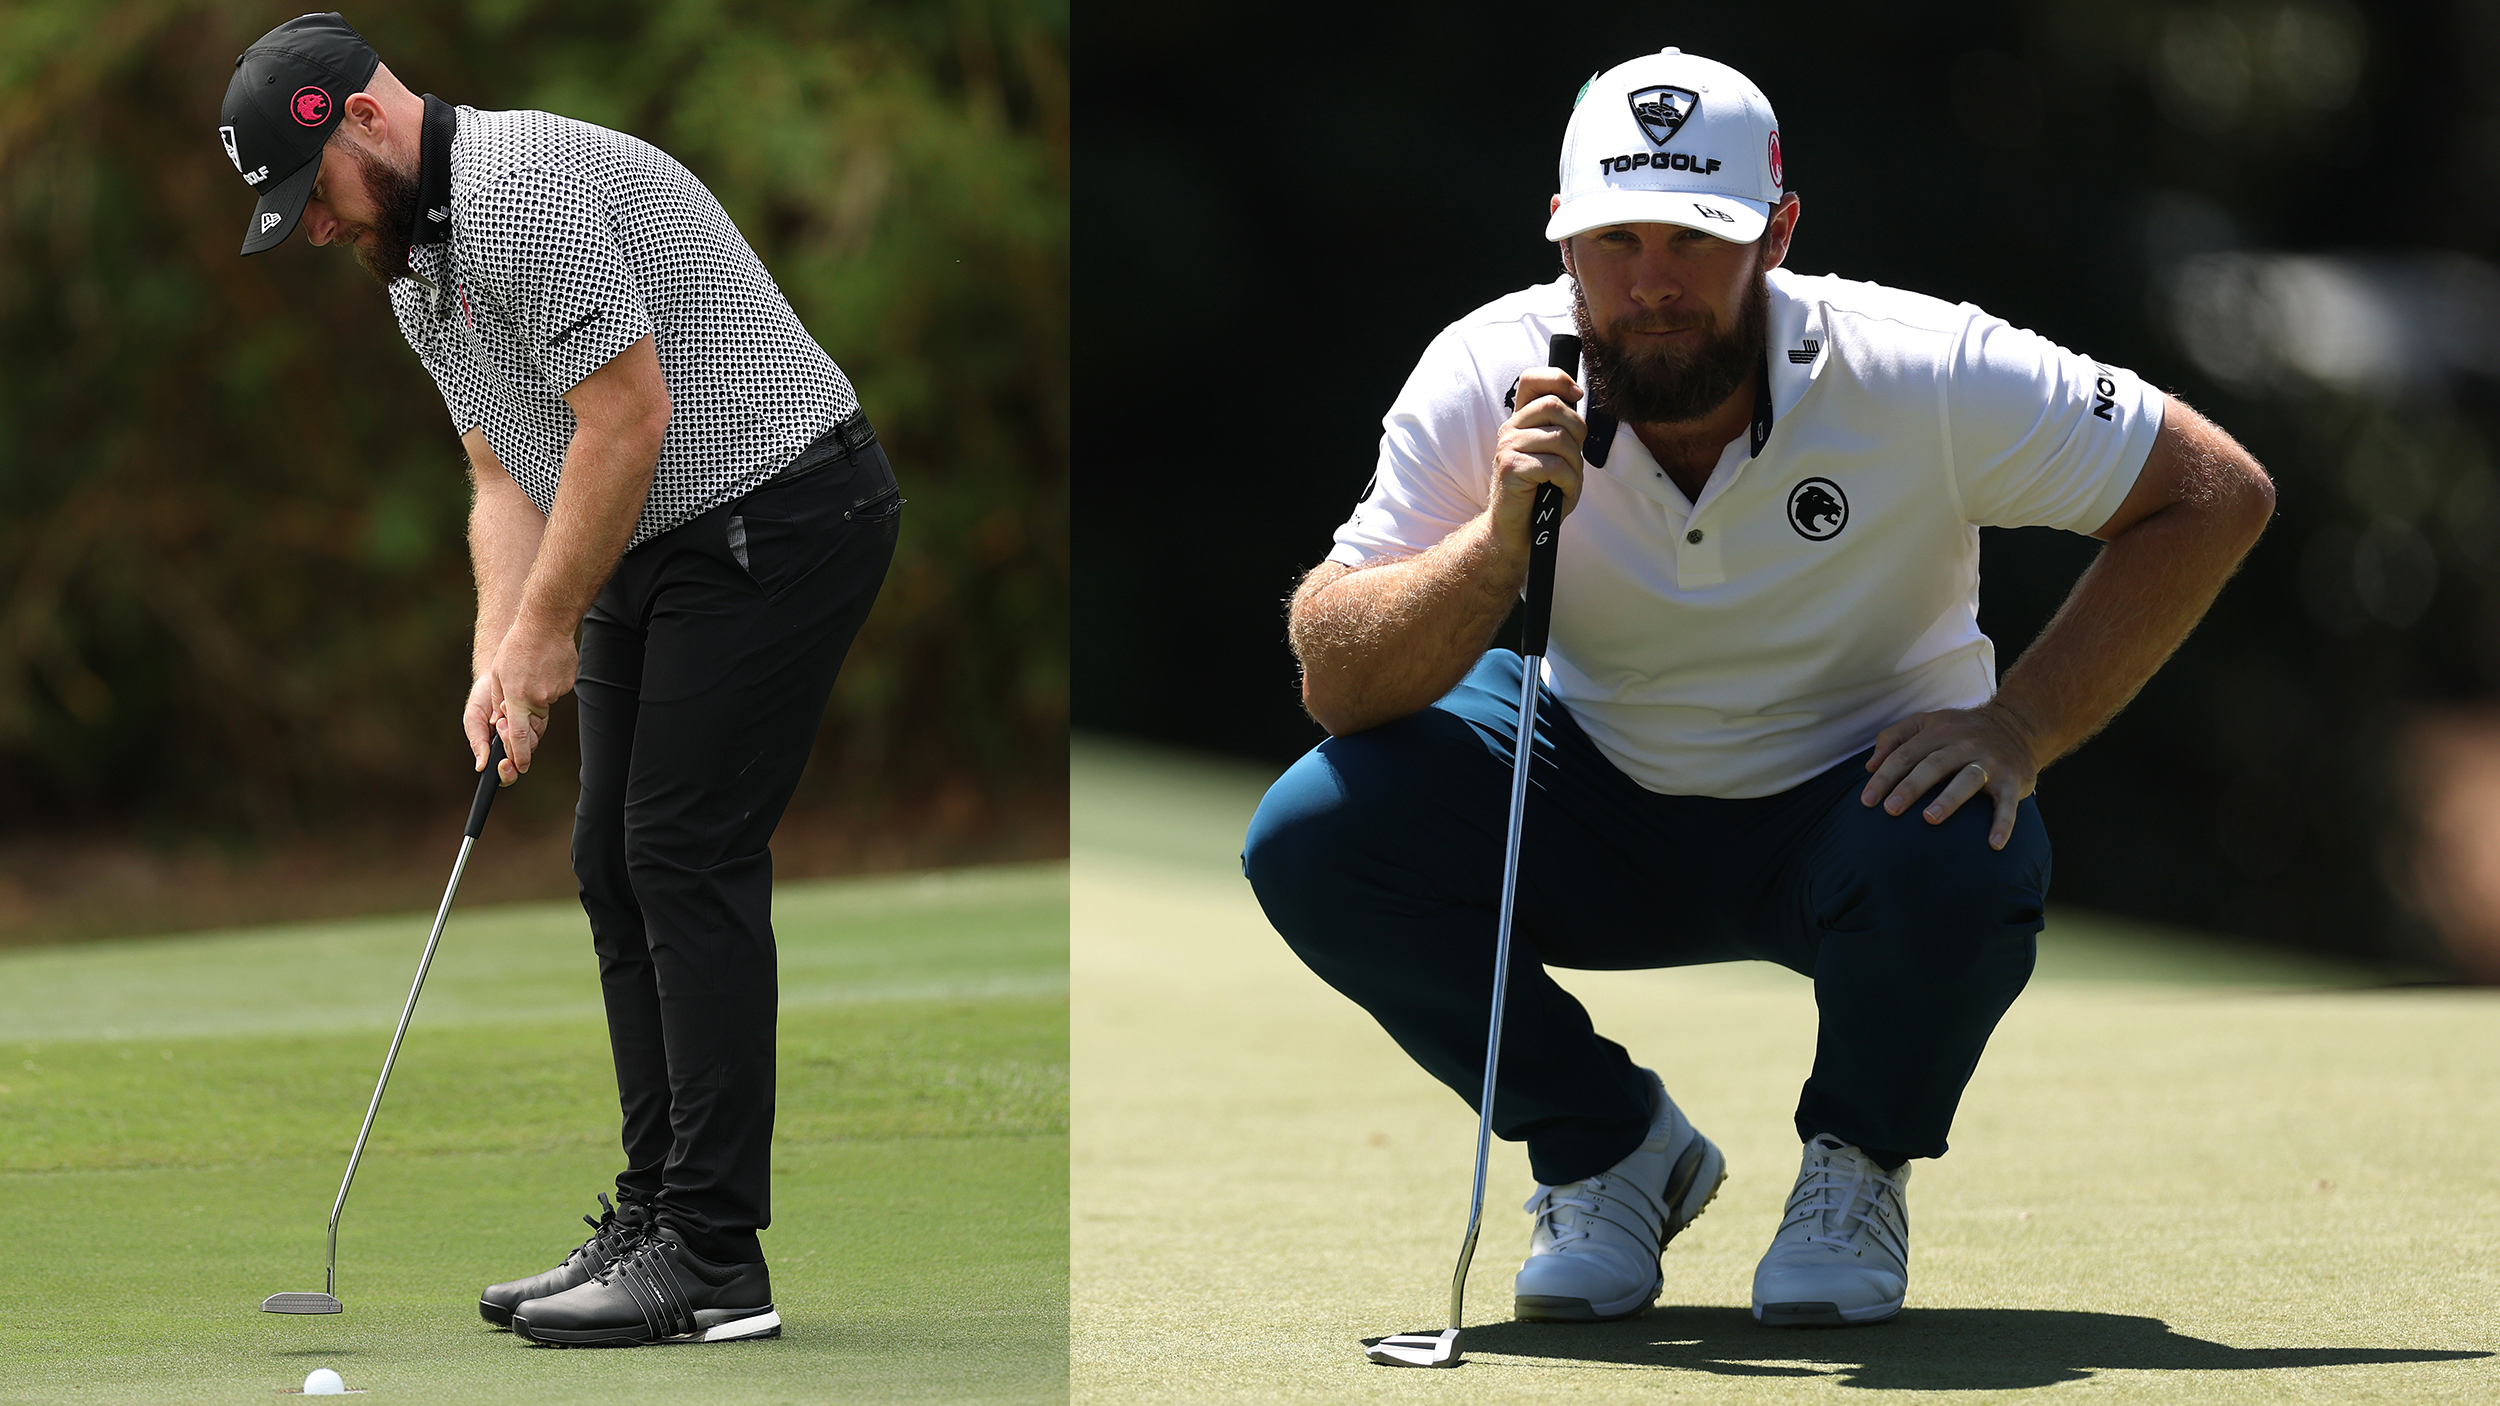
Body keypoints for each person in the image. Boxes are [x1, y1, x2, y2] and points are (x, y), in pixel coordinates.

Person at [1242, 47, 2273, 1329]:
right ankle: (1605, 1143)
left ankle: (1855, 1163)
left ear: (1776, 235)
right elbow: (1335, 674)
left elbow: (2212, 491)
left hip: (1856, 810)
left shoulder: (1920, 367)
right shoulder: (1486, 370)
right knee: (1315, 833)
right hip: (1591, 784)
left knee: (1967, 842)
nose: (1651, 281)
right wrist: (1496, 544)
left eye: (1695, 236)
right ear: (1560, 236)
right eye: (1615, 238)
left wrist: (2020, 723)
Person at [217, 13, 900, 1346]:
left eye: (314, 198)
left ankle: (713, 1255)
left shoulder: (520, 191)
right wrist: (501, 647)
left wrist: (550, 632)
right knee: (609, 855)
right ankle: (654, 1215)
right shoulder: (411, 262)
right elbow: (499, 468)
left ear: (364, 118)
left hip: (781, 503)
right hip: (654, 529)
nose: (313, 230)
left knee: (681, 848)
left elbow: (626, 413)